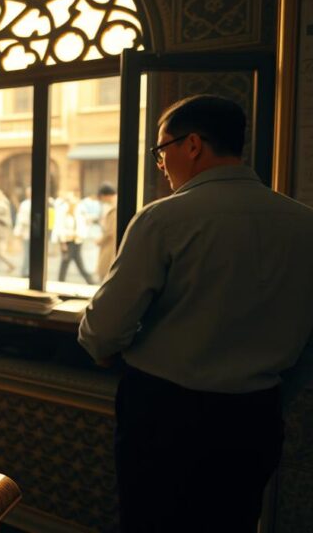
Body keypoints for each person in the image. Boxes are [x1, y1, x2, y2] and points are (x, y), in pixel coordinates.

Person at [78, 95, 313, 532]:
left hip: (167, 416)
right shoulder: (304, 224)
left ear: (192, 145)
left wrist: (104, 348)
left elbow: (103, 329)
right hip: (254, 417)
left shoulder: (164, 219)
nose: (159, 164)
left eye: (161, 150)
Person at [52, 192, 94, 284]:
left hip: (77, 241)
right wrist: (62, 243)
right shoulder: (63, 213)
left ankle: (89, 281)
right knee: (67, 262)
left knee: (73, 262)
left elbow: (82, 226)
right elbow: (59, 228)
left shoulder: (78, 213)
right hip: (68, 242)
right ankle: (90, 281)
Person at [94, 183, 117, 278]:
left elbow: (110, 232)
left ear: (105, 196)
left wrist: (100, 241)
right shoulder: (114, 206)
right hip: (112, 245)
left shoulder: (114, 208)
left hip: (110, 247)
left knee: (105, 273)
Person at [13, 187, 32, 277]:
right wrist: (18, 233)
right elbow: (21, 220)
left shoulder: (27, 204)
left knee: (29, 254)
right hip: (27, 234)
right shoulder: (25, 204)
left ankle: (27, 271)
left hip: (30, 233)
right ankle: (25, 272)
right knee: (27, 254)